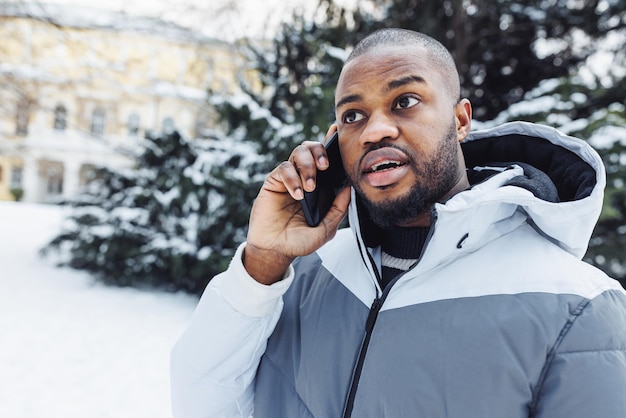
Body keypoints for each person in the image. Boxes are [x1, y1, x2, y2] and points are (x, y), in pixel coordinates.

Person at [170, 28, 626, 418]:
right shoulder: (306, 271)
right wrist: (264, 260)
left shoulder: (578, 305)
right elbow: (201, 403)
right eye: (353, 115)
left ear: (460, 120)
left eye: (405, 101)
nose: (374, 130)